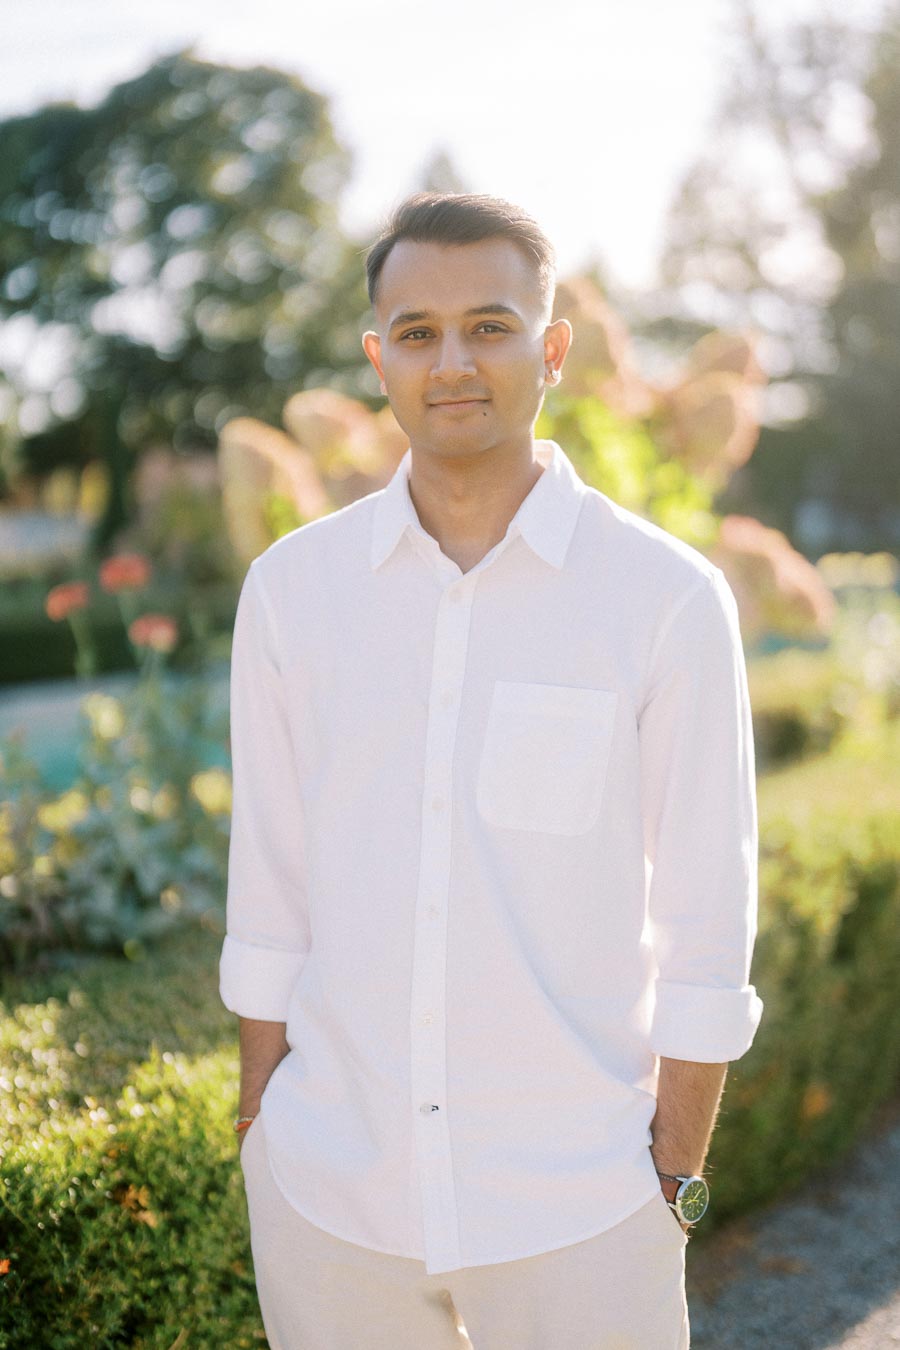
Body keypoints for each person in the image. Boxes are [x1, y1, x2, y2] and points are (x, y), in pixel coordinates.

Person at [219, 191, 764, 1349]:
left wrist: (672, 1172)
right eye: (416, 332)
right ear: (378, 359)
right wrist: (263, 1125)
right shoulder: (292, 594)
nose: (453, 360)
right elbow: (270, 883)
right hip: (332, 1194)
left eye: (491, 325)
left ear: (552, 348)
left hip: (582, 1205)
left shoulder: (662, 600)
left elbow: (708, 918)